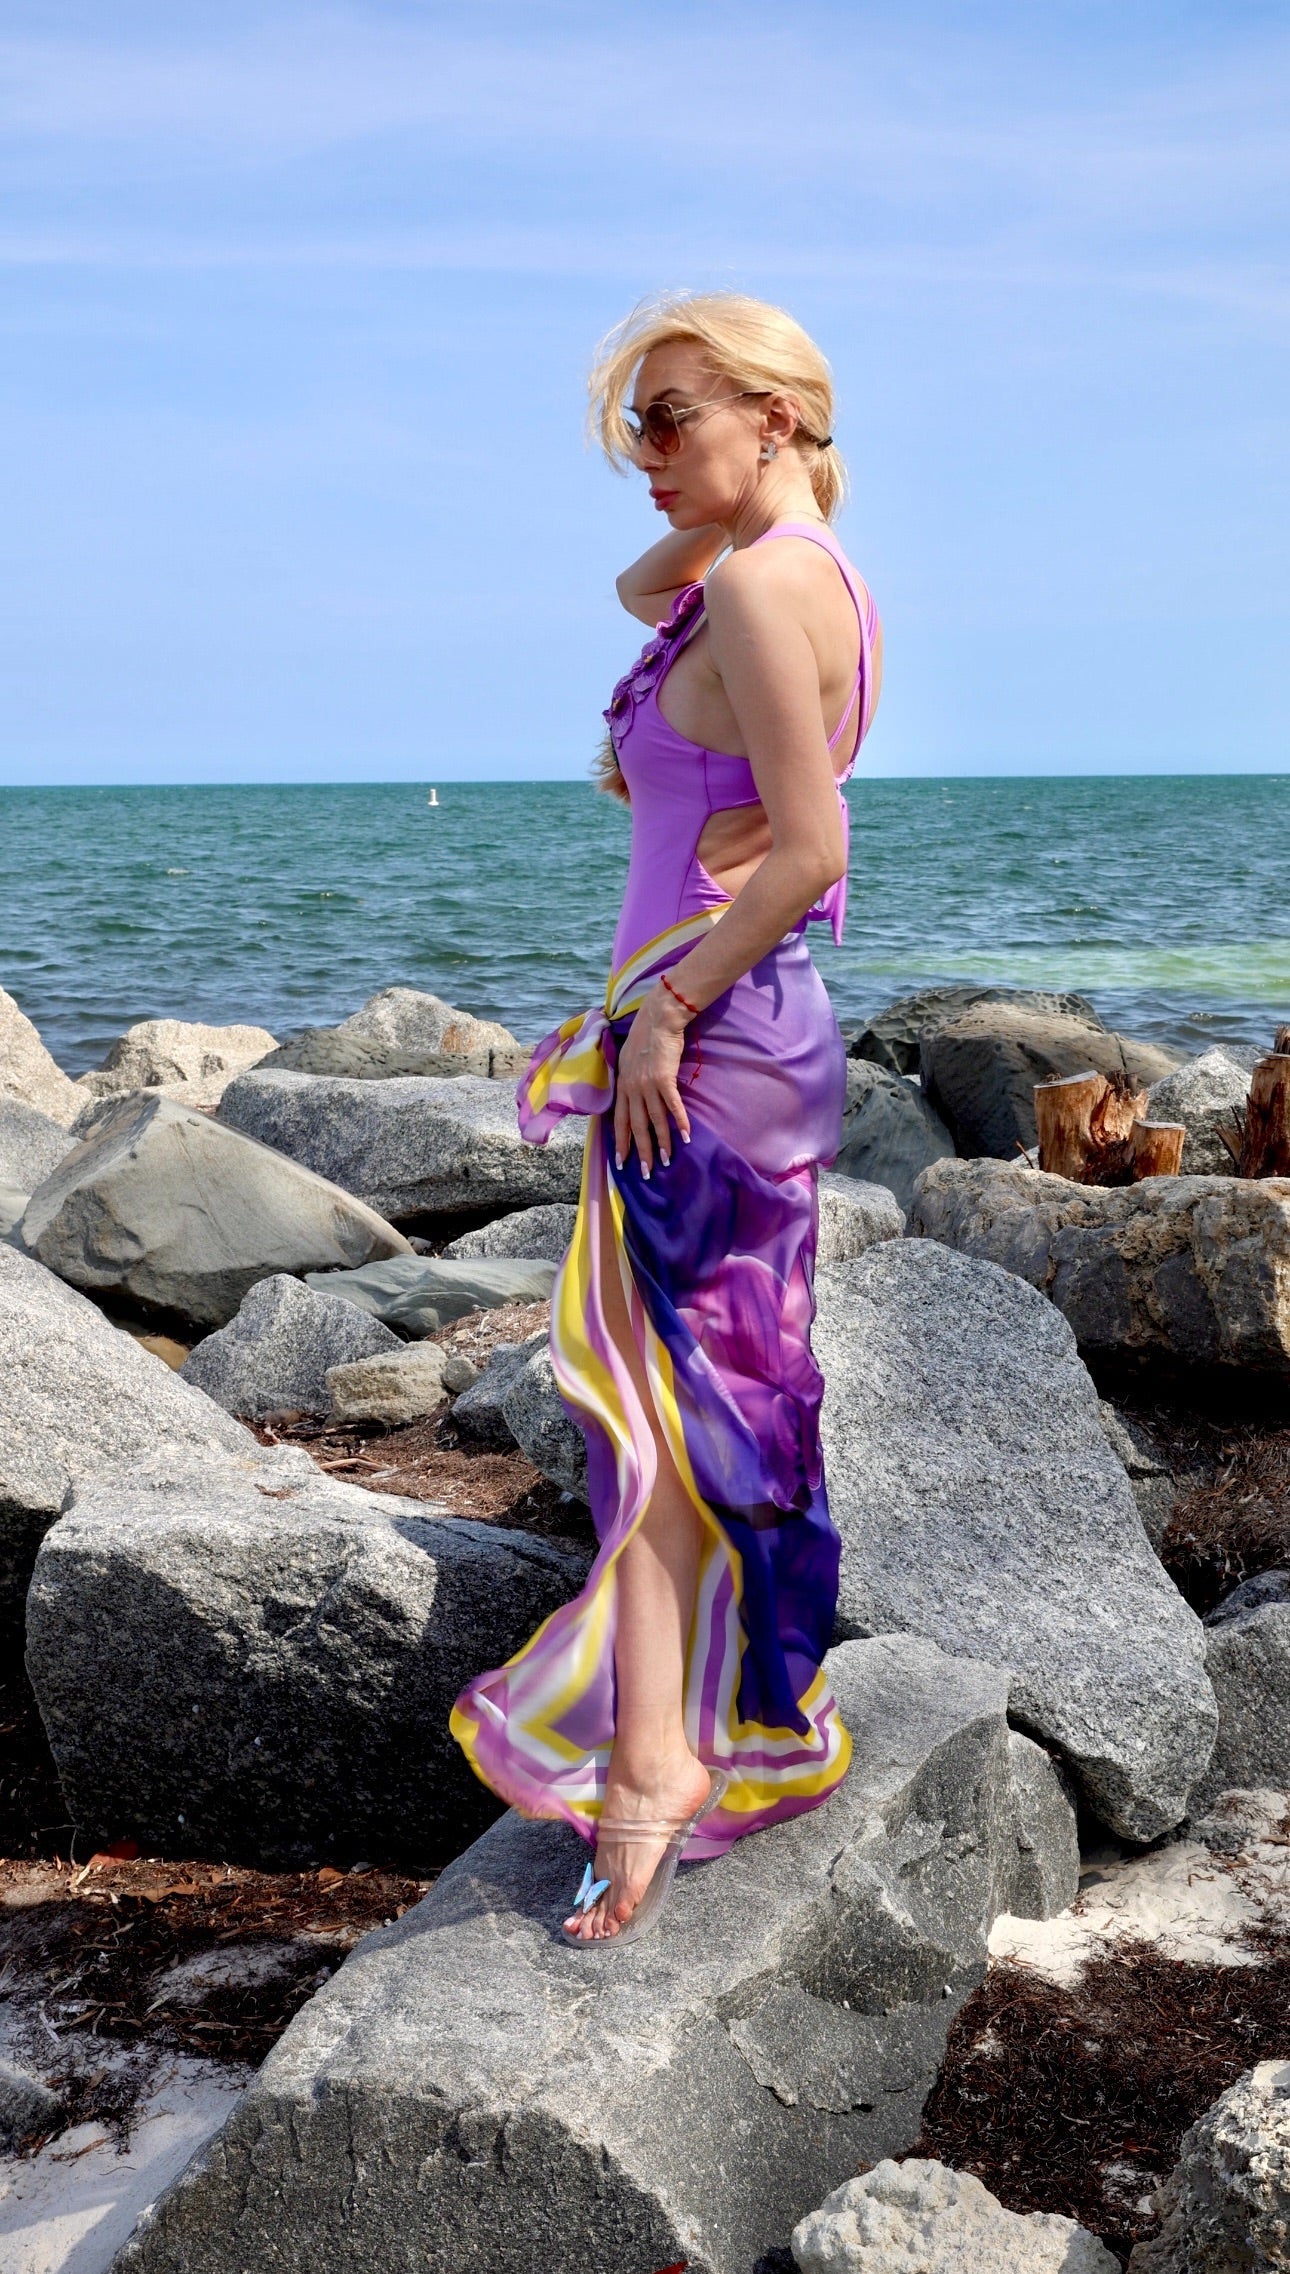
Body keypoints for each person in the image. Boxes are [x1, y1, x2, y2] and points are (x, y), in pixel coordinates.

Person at [451, 290, 883, 1945]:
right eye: (632, 420)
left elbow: (809, 846)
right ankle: (714, 1726)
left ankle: (650, 1778)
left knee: (646, 1414)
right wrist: (727, 490)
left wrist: (662, 1010)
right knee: (678, 1404)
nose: (642, 453)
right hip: (720, 1036)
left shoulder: (769, 590)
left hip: (701, 1045)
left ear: (775, 413)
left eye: (672, 416)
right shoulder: (785, 571)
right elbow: (644, 584)